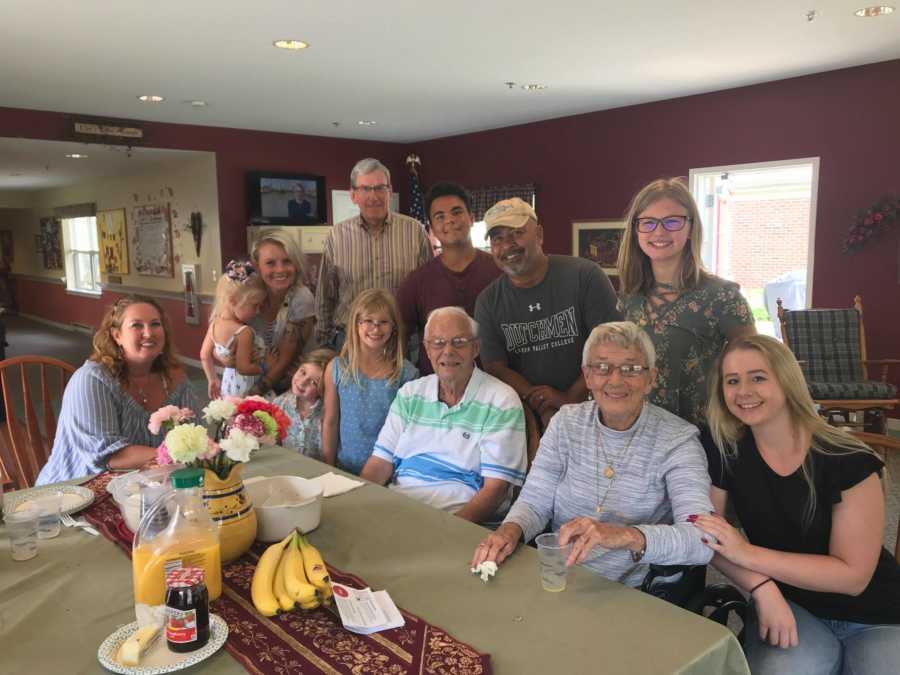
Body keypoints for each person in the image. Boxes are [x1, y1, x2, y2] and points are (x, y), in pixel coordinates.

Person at [695, 335, 900, 674]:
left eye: (758, 377)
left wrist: (748, 553)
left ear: (787, 381)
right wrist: (761, 588)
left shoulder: (849, 460)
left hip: (874, 613)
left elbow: (853, 578)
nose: (743, 390)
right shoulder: (725, 450)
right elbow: (709, 538)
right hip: (789, 602)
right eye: (732, 381)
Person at [470, 321, 713, 587]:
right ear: (587, 377)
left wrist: (628, 536)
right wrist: (509, 530)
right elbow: (535, 500)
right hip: (558, 578)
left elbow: (702, 540)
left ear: (651, 379)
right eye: (602, 368)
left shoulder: (677, 440)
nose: (616, 380)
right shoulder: (566, 423)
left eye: (631, 369)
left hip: (634, 594)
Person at [361, 307, 526, 522]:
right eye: (438, 343)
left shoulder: (502, 401)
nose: (447, 351)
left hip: (462, 527)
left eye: (458, 342)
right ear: (427, 350)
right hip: (398, 514)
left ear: (475, 348)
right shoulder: (410, 393)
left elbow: (495, 491)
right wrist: (360, 504)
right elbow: (379, 463)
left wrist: (445, 531)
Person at [474, 197, 621, 432]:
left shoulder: (585, 276)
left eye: (516, 233)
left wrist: (568, 399)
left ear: (539, 234)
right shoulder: (488, 301)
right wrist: (543, 404)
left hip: (597, 410)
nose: (507, 245)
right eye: (497, 238)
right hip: (526, 419)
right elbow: (495, 367)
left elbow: (613, 348)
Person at [617, 177, 755, 426]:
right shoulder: (629, 297)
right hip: (640, 433)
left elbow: (754, 369)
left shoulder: (722, 296)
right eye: (648, 222)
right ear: (636, 229)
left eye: (672, 221)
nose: (659, 232)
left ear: (691, 227)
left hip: (704, 435)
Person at [37, 296, 198, 484]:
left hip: (143, 486)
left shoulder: (175, 379)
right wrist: (173, 456)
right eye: (136, 325)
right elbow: (110, 456)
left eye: (155, 324)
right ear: (116, 335)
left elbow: (192, 437)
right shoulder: (93, 380)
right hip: (77, 490)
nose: (148, 333)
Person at [315, 158, 432, 350]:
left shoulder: (415, 232)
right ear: (353, 195)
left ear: (390, 191)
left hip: (401, 341)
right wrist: (323, 344)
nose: (373, 196)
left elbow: (428, 290)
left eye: (380, 188)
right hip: (349, 341)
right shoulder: (336, 236)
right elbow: (325, 296)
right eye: (365, 189)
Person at [396, 181, 501, 376]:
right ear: (432, 228)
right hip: (437, 395)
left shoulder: (498, 270)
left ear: (471, 218)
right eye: (440, 216)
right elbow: (399, 335)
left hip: (496, 390)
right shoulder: (417, 281)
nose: (449, 220)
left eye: (456, 212)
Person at [322, 289, 418, 474]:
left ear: (394, 327)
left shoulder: (406, 374)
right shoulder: (337, 368)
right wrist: (328, 466)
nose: (375, 328)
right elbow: (330, 421)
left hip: (388, 474)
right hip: (343, 469)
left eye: (383, 322)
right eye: (368, 321)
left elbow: (408, 434)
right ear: (355, 324)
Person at [248, 229, 316, 394]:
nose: (280, 270)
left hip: (290, 388)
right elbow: (222, 329)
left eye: (287, 261)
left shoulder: (301, 297)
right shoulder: (247, 294)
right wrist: (223, 356)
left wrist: (251, 395)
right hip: (248, 378)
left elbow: (284, 362)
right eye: (270, 263)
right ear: (257, 265)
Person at [200, 260, 268, 399]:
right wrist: (267, 367)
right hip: (245, 388)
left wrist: (212, 379)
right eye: (254, 305)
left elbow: (204, 355)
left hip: (227, 384)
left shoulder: (214, 323)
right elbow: (244, 368)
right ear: (233, 300)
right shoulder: (243, 332)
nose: (258, 311)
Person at [272, 348, 335, 460]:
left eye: (313, 382)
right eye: (303, 372)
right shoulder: (279, 403)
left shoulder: (328, 415)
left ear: (325, 389)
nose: (302, 382)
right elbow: (275, 443)